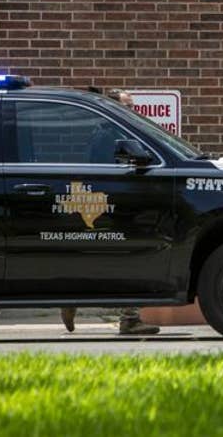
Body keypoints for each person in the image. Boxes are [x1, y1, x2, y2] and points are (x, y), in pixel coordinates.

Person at [63, 87, 160, 336]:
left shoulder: (110, 132)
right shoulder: (110, 135)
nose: (131, 111)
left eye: (132, 106)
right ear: (114, 107)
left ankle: (73, 296)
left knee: (108, 259)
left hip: (115, 205)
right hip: (116, 206)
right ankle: (129, 319)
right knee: (131, 259)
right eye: (126, 106)